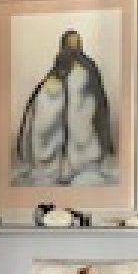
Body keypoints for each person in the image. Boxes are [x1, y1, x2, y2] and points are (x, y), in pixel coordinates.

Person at [14, 29, 116, 185]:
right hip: (62, 122)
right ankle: (54, 167)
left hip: (83, 118)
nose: (74, 48)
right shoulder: (61, 64)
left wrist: (86, 105)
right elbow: (52, 82)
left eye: (77, 43)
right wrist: (52, 91)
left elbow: (98, 95)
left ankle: (85, 166)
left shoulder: (88, 67)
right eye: (71, 44)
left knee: (82, 136)